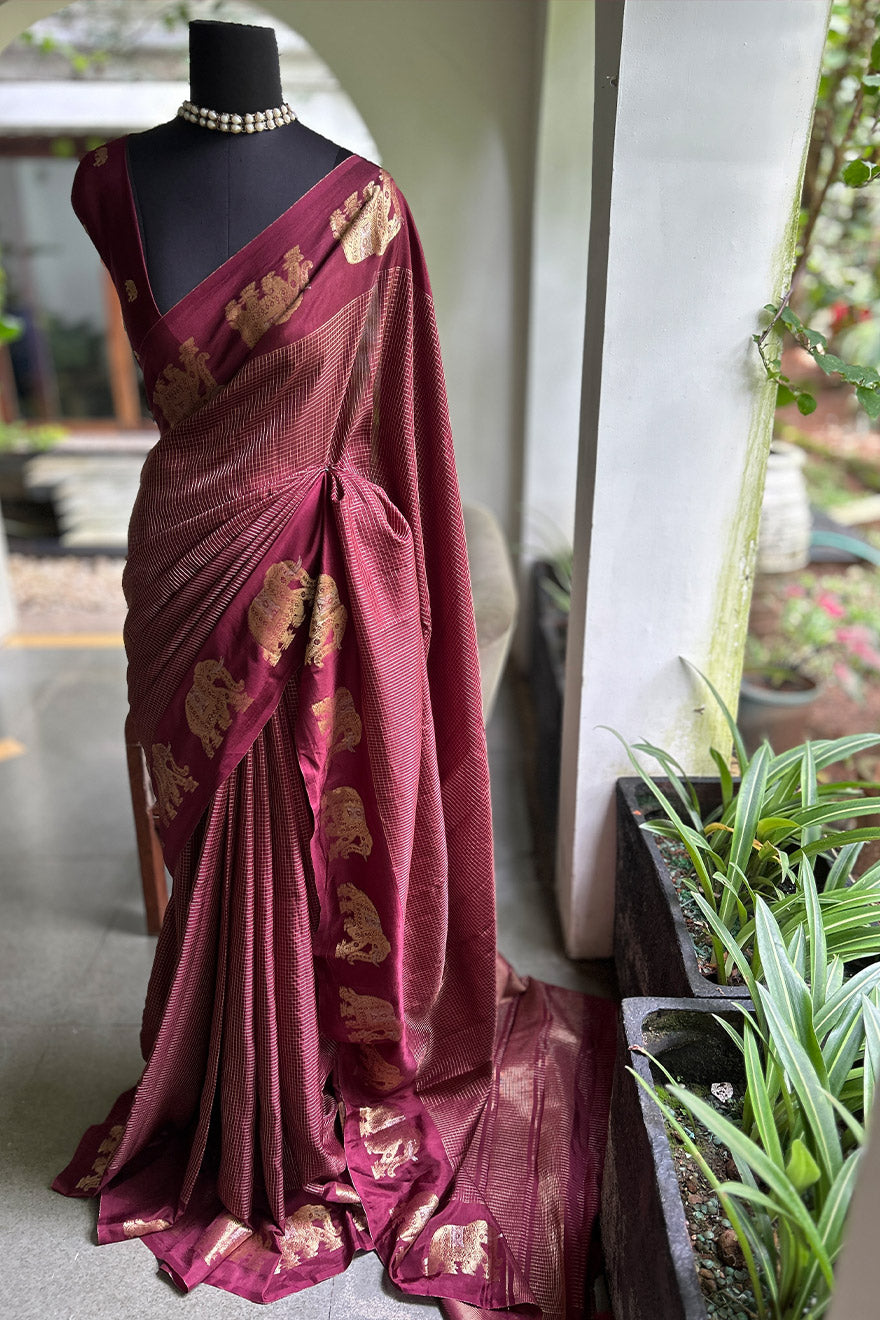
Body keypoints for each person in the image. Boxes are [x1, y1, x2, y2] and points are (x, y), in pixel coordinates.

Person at [53, 20, 616, 1317]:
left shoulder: (367, 211)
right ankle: (225, 1086)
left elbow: (399, 426)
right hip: (184, 574)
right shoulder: (106, 182)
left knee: (301, 853)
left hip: (313, 578)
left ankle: (295, 1092)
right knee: (212, 857)